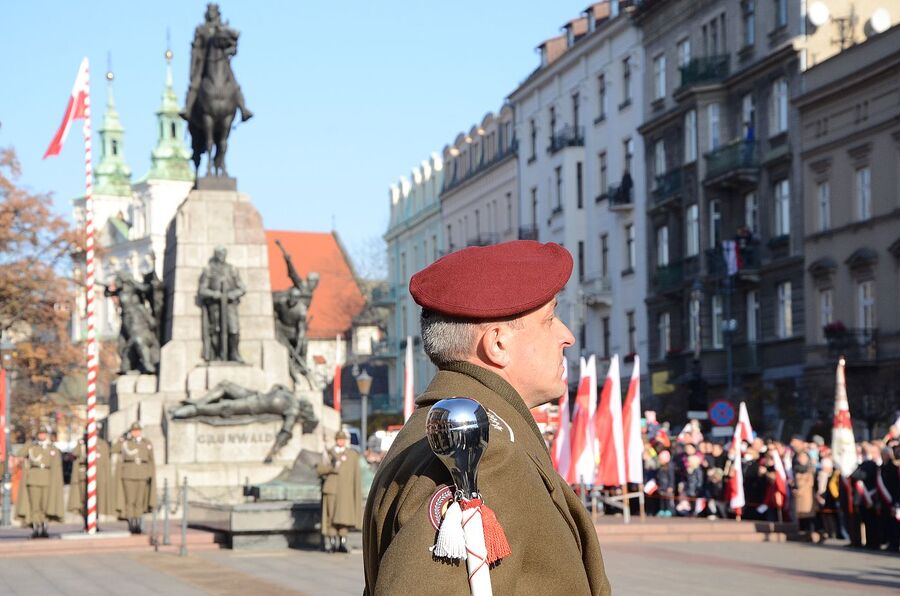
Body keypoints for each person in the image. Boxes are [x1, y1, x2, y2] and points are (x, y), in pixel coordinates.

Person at [363, 240, 611, 595]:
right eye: (549, 319)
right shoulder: (477, 452)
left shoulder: (446, 428)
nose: (567, 336)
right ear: (497, 344)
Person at [197, 246, 246, 362]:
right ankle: (218, 354)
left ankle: (234, 353)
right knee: (216, 330)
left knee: (234, 329)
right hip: (215, 305)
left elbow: (242, 288)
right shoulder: (209, 270)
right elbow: (202, 290)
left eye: (223, 254)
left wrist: (232, 294)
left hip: (230, 305)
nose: (221, 256)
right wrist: (214, 294)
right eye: (219, 254)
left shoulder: (232, 270)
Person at [317, 430, 362, 553]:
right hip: (331, 490)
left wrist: (355, 492)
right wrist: (332, 468)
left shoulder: (352, 455)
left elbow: (356, 475)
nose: (341, 441)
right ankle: (332, 543)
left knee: (344, 517)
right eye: (339, 439)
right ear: (336, 440)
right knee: (331, 516)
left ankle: (343, 542)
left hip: (345, 491)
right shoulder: (329, 453)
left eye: (343, 439)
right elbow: (320, 469)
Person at [15, 426, 64, 538]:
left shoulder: (52, 448)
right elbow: (20, 454)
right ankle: (36, 528)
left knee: (45, 505)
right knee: (35, 506)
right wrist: (29, 442)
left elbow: (57, 464)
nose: (42, 436)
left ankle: (44, 527)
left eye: (44, 433)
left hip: (47, 479)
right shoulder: (32, 447)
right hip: (33, 479)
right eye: (40, 434)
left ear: (47, 435)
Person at [113, 422, 158, 534]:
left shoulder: (146, 443)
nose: (136, 433)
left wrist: (150, 474)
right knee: (130, 501)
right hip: (128, 474)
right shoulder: (126, 443)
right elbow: (114, 449)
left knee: (139, 501)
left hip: (142, 474)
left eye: (138, 431)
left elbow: (151, 460)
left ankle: (138, 523)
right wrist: (122, 438)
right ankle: (131, 523)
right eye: (134, 431)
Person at [68, 429, 114, 527]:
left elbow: (106, 462)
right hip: (83, 477)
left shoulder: (102, 444)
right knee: (84, 501)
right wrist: (81, 444)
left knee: (96, 500)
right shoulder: (82, 444)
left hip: (98, 478)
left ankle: (94, 522)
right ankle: (86, 522)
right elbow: (74, 454)